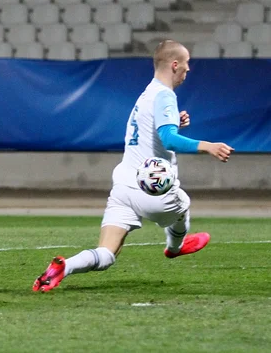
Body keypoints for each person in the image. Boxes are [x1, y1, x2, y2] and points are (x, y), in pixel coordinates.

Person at [32, 40, 235, 292]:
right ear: (174, 65)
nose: (188, 69)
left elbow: (150, 129)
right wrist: (208, 145)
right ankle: (175, 248)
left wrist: (174, 121)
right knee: (183, 203)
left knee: (106, 253)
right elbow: (169, 139)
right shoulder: (165, 96)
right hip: (153, 192)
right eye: (186, 63)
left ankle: (64, 267)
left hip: (123, 186)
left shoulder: (147, 93)